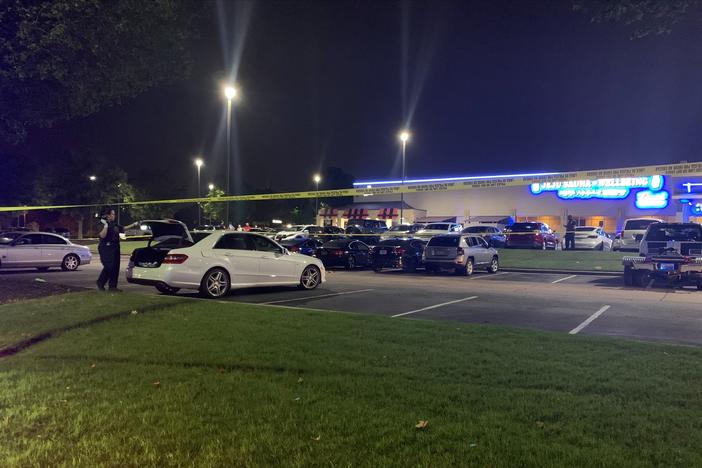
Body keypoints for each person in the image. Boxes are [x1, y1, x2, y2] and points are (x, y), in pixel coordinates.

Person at [96, 207, 122, 291]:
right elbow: (102, 235)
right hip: (106, 249)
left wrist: (135, 224)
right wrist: (106, 225)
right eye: (113, 214)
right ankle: (100, 282)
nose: (114, 216)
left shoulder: (114, 224)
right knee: (109, 266)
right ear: (108, 215)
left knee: (115, 267)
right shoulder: (102, 224)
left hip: (115, 248)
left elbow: (123, 228)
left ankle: (113, 286)